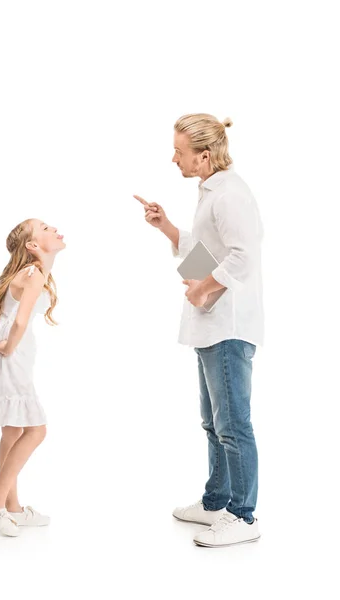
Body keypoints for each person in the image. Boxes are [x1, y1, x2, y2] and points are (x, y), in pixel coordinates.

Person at [134, 113, 264, 548]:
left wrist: (203, 288)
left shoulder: (230, 195)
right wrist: (166, 228)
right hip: (211, 326)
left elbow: (244, 257)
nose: (173, 159)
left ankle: (243, 517)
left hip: (228, 326)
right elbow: (209, 252)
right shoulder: (211, 192)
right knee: (213, 423)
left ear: (204, 155)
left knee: (233, 425)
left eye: (179, 151)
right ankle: (215, 503)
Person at [0, 218, 66, 536]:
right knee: (36, 430)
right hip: (9, 351)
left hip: (7, 349)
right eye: (45, 227)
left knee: (12, 430)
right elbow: (21, 322)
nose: (54, 228)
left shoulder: (33, 272)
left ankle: (12, 508)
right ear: (32, 245)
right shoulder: (33, 274)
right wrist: (10, 347)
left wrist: (11, 345)